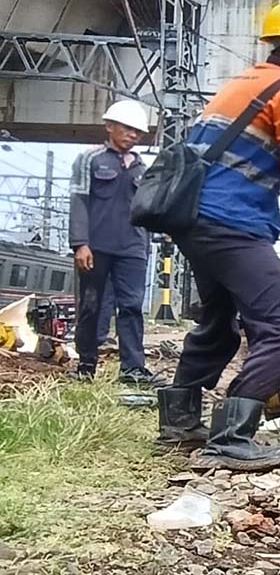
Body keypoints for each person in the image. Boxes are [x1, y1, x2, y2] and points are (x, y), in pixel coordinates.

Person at [156, 0, 280, 470]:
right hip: (229, 224)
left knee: (218, 320)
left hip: (195, 221)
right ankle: (231, 437)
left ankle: (178, 420)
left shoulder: (243, 82)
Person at [68, 100, 161, 386]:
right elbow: (79, 201)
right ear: (109, 127)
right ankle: (86, 365)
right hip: (96, 248)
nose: (133, 135)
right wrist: (80, 243)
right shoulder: (90, 159)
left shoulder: (144, 168)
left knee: (132, 307)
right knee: (92, 307)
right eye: (127, 128)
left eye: (138, 132)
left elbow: (149, 209)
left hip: (133, 249)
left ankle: (133, 369)